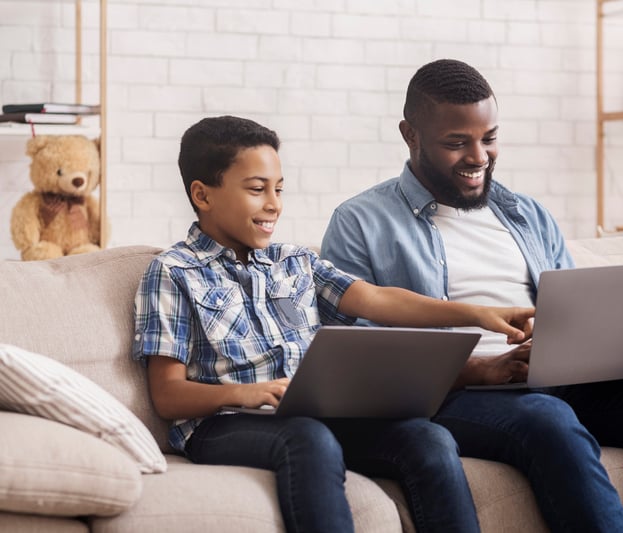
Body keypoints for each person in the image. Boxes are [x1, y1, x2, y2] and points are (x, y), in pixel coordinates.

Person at [321, 59, 623, 532]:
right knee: (547, 415)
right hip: (458, 395)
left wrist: (587, 350)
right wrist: (477, 369)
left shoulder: (526, 214)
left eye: (489, 137)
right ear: (410, 135)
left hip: (553, 383)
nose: (479, 156)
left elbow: (576, 311)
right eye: (456, 142)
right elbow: (355, 361)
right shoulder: (360, 222)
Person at [132, 115, 537, 533]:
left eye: (279, 188)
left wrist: (477, 313)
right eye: (257, 189)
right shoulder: (174, 271)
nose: (274, 203)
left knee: (427, 438)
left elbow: (378, 299)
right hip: (226, 423)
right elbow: (168, 395)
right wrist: (248, 393)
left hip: (313, 414)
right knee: (308, 438)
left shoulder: (294, 262)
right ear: (202, 194)